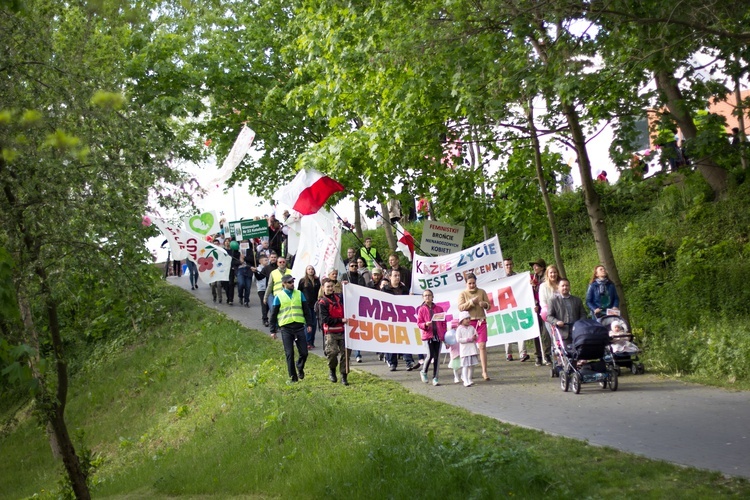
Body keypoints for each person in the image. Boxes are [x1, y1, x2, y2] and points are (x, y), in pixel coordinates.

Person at [269, 275, 313, 382]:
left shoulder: (299, 294)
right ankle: (293, 377)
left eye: (293, 282)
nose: (292, 284)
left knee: (304, 352)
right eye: (289, 282)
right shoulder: (279, 296)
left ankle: (300, 366)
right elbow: (273, 315)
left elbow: (306, 310)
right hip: (286, 328)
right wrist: (273, 330)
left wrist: (309, 324)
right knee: (289, 353)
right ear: (284, 284)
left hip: (299, 327)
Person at [457, 273, 492, 381]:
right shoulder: (462, 294)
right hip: (469, 323)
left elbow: (489, 306)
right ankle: (466, 371)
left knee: (482, 346)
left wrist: (484, 305)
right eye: (470, 283)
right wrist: (471, 302)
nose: (472, 285)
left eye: (474, 283)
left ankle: (484, 371)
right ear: (466, 283)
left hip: (481, 321)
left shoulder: (482, 292)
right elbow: (460, 307)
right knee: (468, 348)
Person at [381, 270, 417, 371]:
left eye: (398, 275)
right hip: (390, 318)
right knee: (392, 340)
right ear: (390, 277)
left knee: (405, 339)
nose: (397, 277)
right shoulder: (385, 289)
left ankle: (409, 361)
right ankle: (392, 363)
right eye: (395, 275)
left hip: (402, 318)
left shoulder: (404, 289)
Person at [318, 280, 350, 385]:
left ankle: (344, 376)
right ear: (323, 288)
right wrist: (341, 320)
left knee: (346, 354)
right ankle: (332, 370)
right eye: (328, 287)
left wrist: (346, 285)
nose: (330, 288)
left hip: (343, 331)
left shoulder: (339, 298)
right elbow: (325, 320)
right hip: (331, 332)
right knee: (332, 353)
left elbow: (349, 293)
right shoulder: (322, 303)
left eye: (331, 286)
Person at [417, 290, 447, 386]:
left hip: (438, 336)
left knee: (437, 357)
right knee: (430, 355)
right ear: (423, 297)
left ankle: (435, 377)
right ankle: (424, 371)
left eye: (429, 295)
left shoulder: (439, 308)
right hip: (428, 336)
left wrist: (443, 334)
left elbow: (443, 322)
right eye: (425, 296)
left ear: (433, 297)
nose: (427, 297)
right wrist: (425, 324)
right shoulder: (421, 309)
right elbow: (419, 323)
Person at [502, 257, 528, 362]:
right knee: (508, 330)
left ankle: (523, 353)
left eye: (510, 264)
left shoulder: (518, 276)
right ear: (503, 266)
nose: (508, 266)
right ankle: (508, 353)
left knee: (520, 328)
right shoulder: (500, 279)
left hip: (517, 306)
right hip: (505, 307)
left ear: (513, 265)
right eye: (506, 265)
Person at [529, 258, 549, 366]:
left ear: (542, 267)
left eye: (537, 265)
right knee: (536, 332)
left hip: (545, 308)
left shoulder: (546, 278)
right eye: (534, 266)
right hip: (535, 307)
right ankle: (538, 355)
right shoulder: (532, 278)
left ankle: (547, 354)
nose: (534, 267)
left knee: (546, 332)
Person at [539, 264, 561, 360]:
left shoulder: (561, 284)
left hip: (562, 314)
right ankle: (557, 359)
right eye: (551, 272)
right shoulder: (543, 286)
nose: (553, 274)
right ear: (547, 274)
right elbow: (542, 302)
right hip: (549, 315)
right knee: (554, 337)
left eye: (555, 272)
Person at [298, 265, 321, 349]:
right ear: (306, 271)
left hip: (315, 304)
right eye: (309, 269)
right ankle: (307, 341)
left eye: (312, 269)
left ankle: (312, 341)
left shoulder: (317, 280)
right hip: (306, 304)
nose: (310, 270)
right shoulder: (303, 281)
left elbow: (320, 291)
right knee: (308, 323)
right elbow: (299, 292)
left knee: (314, 324)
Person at [456, 311, 479, 387]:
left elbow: (476, 335)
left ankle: (469, 378)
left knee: (472, 366)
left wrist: (475, 337)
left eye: (469, 318)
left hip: (472, 350)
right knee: (465, 365)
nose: (468, 320)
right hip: (465, 351)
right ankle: (465, 380)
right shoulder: (459, 329)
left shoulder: (472, 327)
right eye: (466, 319)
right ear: (462, 320)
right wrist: (468, 339)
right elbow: (458, 339)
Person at [253, 255, 270, 326]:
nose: (267, 261)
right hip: (262, 289)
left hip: (268, 288)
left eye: (267, 260)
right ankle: (265, 319)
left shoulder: (269, 268)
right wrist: (255, 272)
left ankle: (266, 316)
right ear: (260, 261)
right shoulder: (258, 269)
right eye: (265, 260)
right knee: (264, 303)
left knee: (269, 305)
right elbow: (254, 279)